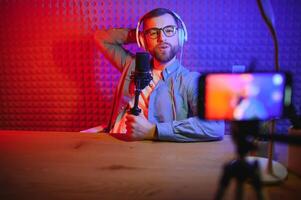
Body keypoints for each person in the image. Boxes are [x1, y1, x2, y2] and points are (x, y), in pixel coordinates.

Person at [93, 8, 224, 142]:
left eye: (169, 30)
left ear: (180, 36)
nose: (162, 38)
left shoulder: (190, 80)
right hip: (113, 137)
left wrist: (153, 130)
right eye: (154, 33)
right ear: (143, 40)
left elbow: (215, 126)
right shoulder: (132, 65)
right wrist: (138, 34)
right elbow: (101, 38)